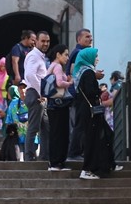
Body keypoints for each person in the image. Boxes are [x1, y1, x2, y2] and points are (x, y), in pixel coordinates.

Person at [72, 47, 114, 180]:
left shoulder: (82, 72)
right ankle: (87, 169)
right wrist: (99, 90)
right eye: (95, 56)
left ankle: (107, 163)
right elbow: (90, 92)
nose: (97, 59)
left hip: (85, 110)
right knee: (92, 140)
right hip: (90, 111)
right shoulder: (88, 73)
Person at [44, 43, 74, 171]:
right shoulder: (57, 66)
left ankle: (56, 162)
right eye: (66, 54)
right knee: (60, 133)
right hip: (58, 104)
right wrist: (70, 82)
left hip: (53, 104)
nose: (67, 58)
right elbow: (59, 83)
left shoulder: (52, 66)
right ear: (58, 55)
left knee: (56, 133)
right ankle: (57, 163)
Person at [22, 30, 51, 162]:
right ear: (36, 41)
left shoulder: (39, 56)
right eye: (43, 41)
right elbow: (29, 75)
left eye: (48, 41)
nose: (45, 44)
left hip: (38, 94)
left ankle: (44, 156)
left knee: (46, 127)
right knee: (33, 128)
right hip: (35, 94)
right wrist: (41, 92)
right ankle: (29, 158)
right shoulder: (34, 56)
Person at [67, 28, 96, 160]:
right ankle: (75, 152)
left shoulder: (82, 53)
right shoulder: (78, 53)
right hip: (79, 95)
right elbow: (75, 74)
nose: (90, 39)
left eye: (90, 37)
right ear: (79, 39)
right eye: (87, 37)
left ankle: (81, 151)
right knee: (79, 125)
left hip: (80, 94)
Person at [3, 84, 28, 153]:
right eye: (20, 88)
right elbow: (9, 118)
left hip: (25, 134)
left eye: (24, 88)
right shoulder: (14, 103)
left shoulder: (31, 101)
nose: (22, 90)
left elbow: (8, 119)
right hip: (22, 134)